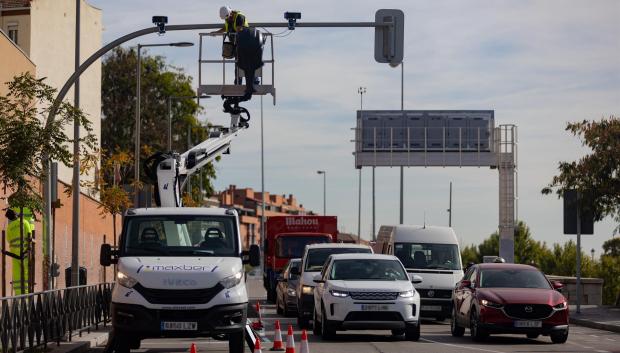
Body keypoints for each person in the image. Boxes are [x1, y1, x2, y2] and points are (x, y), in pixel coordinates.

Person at [4, 208, 34, 295]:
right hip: (25, 253)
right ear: (16, 215)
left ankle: (19, 298)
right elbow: (29, 236)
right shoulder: (24, 222)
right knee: (26, 276)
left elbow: (9, 240)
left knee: (17, 277)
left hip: (14, 255)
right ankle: (27, 298)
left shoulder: (9, 228)